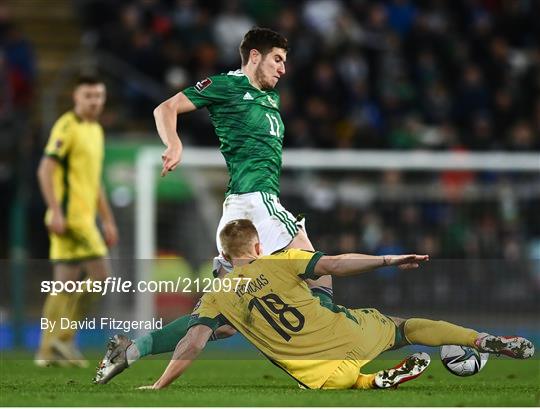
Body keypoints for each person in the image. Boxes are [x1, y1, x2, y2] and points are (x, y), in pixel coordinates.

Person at [94, 219, 534, 389]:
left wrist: (160, 385)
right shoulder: (282, 261)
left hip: (316, 370)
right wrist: (386, 259)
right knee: (406, 327)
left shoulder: (218, 295)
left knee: (334, 376)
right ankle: (482, 338)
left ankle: (373, 382)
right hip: (351, 332)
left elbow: (194, 342)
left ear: (224, 257)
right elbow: (336, 265)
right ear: (259, 244)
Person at [126, 27, 333, 361]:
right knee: (320, 274)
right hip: (256, 201)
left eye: (284, 61)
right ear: (255, 56)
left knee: (224, 321)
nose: (283, 68)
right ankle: (334, 353)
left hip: (244, 204)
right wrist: (173, 143)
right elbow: (164, 108)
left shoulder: (270, 96)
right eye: (277, 59)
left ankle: (134, 348)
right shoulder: (227, 85)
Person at [35, 75, 118, 367]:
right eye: (89, 96)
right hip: (71, 220)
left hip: (85, 219)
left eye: (99, 96)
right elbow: (45, 170)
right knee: (103, 278)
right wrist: (55, 211)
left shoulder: (95, 130)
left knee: (64, 286)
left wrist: (108, 221)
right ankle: (64, 336)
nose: (95, 102)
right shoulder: (66, 126)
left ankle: (48, 349)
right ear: (76, 97)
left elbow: (94, 183)